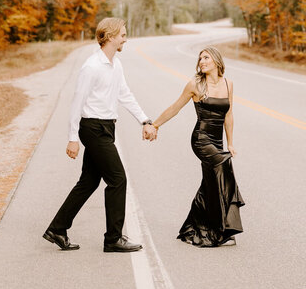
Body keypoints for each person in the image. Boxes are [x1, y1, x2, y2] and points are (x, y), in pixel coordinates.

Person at [43, 17, 157, 253]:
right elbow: (77, 103)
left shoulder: (116, 64)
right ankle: (113, 238)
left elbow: (125, 94)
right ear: (110, 36)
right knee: (118, 178)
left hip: (107, 127)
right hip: (93, 128)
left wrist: (144, 119)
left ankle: (57, 228)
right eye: (123, 35)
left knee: (89, 181)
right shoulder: (91, 67)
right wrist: (72, 137)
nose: (126, 38)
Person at [152, 45, 244, 247]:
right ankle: (220, 230)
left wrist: (230, 142)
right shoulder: (195, 85)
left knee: (209, 183)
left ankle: (194, 227)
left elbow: (228, 115)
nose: (202, 61)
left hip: (218, 141)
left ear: (217, 62)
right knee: (223, 169)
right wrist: (155, 124)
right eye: (200, 58)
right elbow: (175, 108)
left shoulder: (229, 84)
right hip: (201, 139)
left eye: (206, 58)